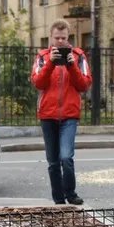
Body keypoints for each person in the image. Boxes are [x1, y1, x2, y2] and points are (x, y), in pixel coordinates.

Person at [31, 20, 92, 205]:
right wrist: (51, 63)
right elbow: (38, 83)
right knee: (53, 162)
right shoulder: (42, 57)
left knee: (66, 157)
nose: (60, 41)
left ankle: (71, 194)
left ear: (68, 37)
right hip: (48, 115)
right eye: (57, 38)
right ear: (51, 37)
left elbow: (84, 85)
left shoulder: (78, 56)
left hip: (69, 115)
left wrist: (71, 65)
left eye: (63, 38)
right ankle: (58, 200)